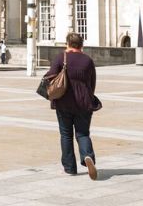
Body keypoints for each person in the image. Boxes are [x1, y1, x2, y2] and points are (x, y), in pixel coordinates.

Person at [46, 33, 98, 180]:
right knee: (83, 134)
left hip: (63, 102)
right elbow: (92, 83)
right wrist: (87, 97)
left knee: (66, 135)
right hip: (84, 103)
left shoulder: (60, 58)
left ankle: (70, 167)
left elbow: (51, 77)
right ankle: (87, 156)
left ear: (67, 43)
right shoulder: (88, 60)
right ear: (81, 45)